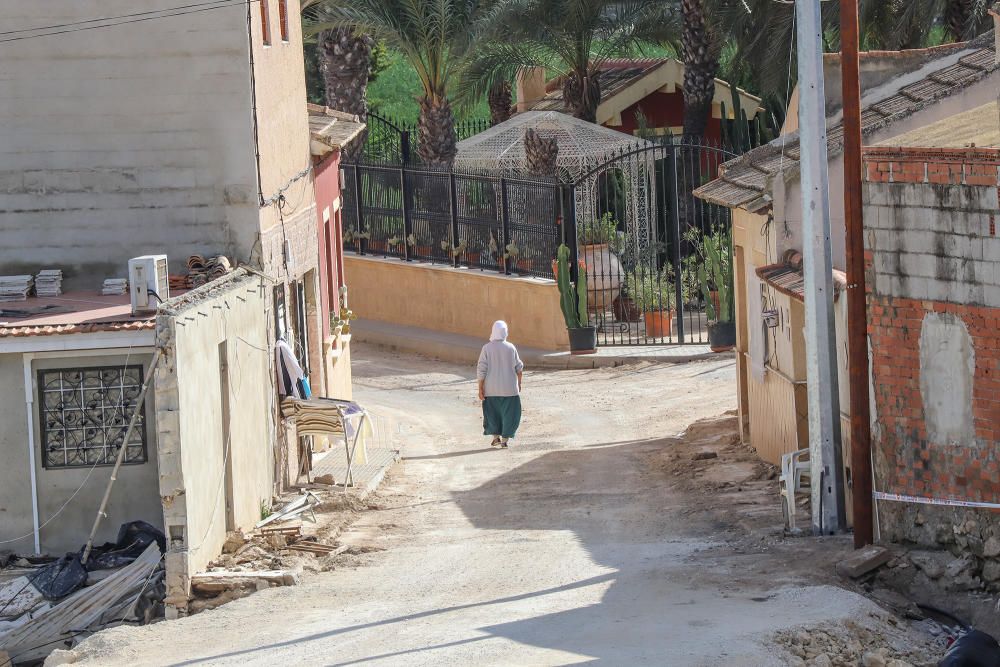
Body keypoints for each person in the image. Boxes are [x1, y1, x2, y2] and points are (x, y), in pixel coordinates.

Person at [477, 320, 524, 448]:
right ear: (505, 331)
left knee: (492, 414)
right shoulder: (511, 347)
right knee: (510, 415)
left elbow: (481, 369)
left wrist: (480, 388)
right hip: (510, 390)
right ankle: (504, 440)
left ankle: (495, 438)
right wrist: (519, 383)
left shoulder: (486, 348)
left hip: (491, 389)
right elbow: (519, 368)